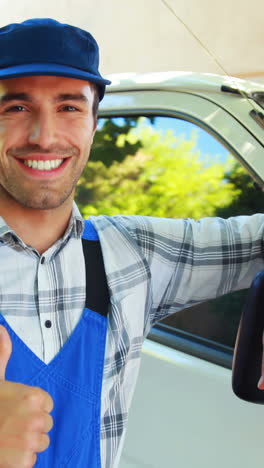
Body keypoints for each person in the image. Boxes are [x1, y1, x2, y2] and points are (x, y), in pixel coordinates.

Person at [0, 17, 263, 468]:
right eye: (16, 108)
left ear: (94, 123)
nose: (45, 136)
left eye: (69, 107)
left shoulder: (136, 254)